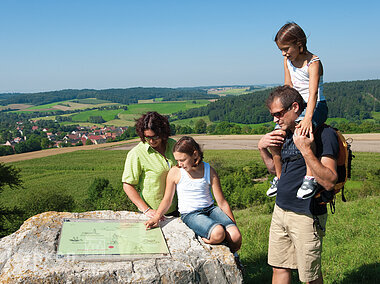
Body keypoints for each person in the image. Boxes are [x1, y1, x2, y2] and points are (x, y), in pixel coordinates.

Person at [258, 86, 338, 284]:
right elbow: (277, 172)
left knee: (309, 276)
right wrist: (262, 148)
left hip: (307, 215)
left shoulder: (324, 134)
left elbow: (329, 181)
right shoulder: (283, 133)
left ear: (295, 107)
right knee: (279, 268)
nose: (275, 120)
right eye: (273, 115)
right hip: (280, 210)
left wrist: (307, 151)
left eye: (278, 114)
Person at [145, 136, 242, 253]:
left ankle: (234, 259)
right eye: (177, 160)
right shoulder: (175, 172)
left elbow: (222, 202)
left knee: (236, 236)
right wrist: (156, 217)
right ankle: (208, 240)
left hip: (211, 210)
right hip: (191, 214)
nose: (179, 164)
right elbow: (167, 199)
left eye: (182, 160)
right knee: (218, 233)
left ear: (195, 155)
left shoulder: (209, 170)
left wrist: (232, 224)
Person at [268, 22, 328, 200]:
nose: (284, 53)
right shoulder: (287, 60)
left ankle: (310, 177)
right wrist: (285, 110)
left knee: (303, 134)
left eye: (286, 48)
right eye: (281, 50)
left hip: (315, 106)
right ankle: (279, 177)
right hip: (295, 105)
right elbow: (288, 86)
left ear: (299, 43)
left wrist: (307, 118)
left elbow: (313, 93)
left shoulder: (313, 62)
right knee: (274, 138)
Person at [121, 111, 179, 218]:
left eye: (155, 137)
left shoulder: (174, 145)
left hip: (176, 209)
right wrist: (146, 210)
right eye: (147, 137)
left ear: (163, 133)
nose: (151, 141)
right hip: (152, 213)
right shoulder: (137, 153)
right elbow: (128, 185)